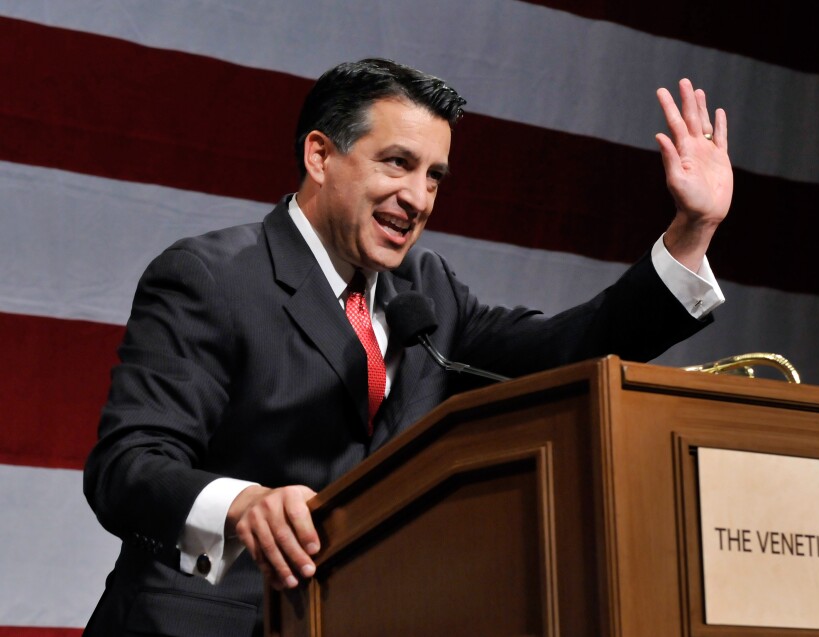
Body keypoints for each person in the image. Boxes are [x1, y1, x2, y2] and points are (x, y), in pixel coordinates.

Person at [82, 58, 731, 636]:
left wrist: (690, 231)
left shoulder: (425, 290)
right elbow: (126, 467)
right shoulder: (213, 277)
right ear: (319, 155)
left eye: (435, 176)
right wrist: (245, 503)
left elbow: (569, 348)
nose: (418, 198)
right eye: (397, 162)